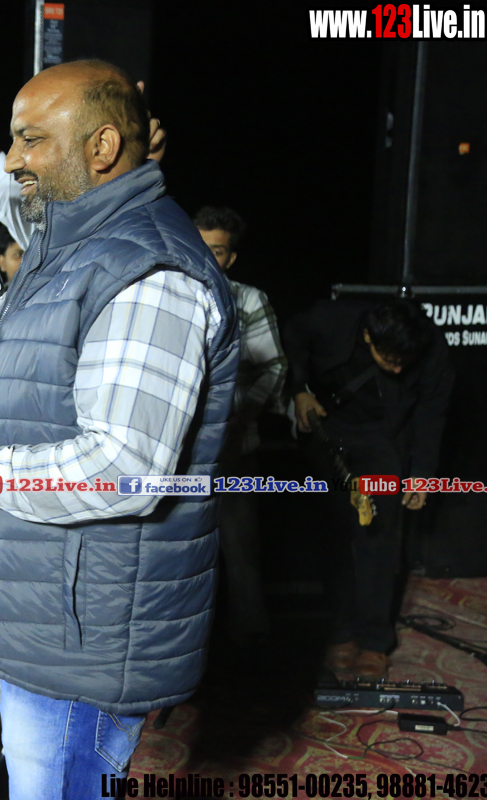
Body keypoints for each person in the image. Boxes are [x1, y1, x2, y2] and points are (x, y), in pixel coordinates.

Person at [0, 61, 238, 798]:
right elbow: (28, 371)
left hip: (85, 638)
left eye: (31, 140)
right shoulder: (71, 244)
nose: (13, 160)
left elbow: (122, 470)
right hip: (55, 616)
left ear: (101, 147)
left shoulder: (148, 270)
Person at [285, 297, 452, 679]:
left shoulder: (430, 344)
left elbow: (433, 411)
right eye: (389, 358)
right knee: (334, 535)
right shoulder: (329, 319)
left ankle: (374, 642)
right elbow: (292, 338)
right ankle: (340, 634)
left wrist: (421, 474)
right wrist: (299, 389)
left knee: (377, 539)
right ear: (367, 336)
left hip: (385, 439)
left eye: (404, 361)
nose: (398, 368)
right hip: (331, 428)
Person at [0, 26, 167, 252]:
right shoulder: (45, 233)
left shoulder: (149, 264)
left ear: (103, 146)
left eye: (30, 139)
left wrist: (135, 167)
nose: (9, 164)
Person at [193, 205, 287, 645]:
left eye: (217, 250)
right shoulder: (170, 292)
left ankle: (252, 650)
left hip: (234, 451)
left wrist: (239, 419)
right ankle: (192, 647)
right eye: (201, 246)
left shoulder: (248, 300)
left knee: (242, 552)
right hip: (178, 455)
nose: (207, 256)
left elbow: (274, 367)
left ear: (230, 258)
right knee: (182, 554)